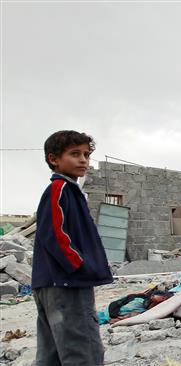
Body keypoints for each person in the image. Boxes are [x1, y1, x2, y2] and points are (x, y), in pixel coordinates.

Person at [32, 130, 113, 365]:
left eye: (86, 155)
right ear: (54, 159)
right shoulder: (60, 190)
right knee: (83, 350)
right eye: (75, 154)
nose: (83, 160)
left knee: (53, 354)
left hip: (54, 281)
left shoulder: (71, 191)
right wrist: (80, 266)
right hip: (67, 283)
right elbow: (55, 236)